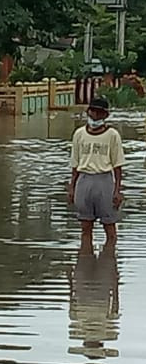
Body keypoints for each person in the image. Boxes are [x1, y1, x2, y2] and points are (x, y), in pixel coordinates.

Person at [68, 96, 124, 255]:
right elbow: (75, 164)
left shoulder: (112, 135)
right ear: (88, 112)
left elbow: (118, 166)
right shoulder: (79, 134)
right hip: (84, 180)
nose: (95, 116)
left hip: (104, 180)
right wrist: (72, 188)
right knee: (85, 227)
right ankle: (85, 261)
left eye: (100, 113)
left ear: (106, 115)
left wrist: (117, 190)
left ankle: (109, 263)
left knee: (109, 226)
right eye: (93, 112)